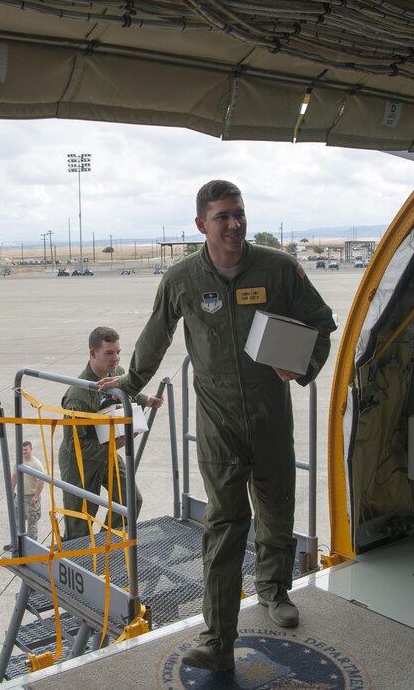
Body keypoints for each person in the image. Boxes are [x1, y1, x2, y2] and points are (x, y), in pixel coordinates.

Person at [98, 179, 336, 672]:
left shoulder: (279, 268)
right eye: (223, 216)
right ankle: (218, 639)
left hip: (271, 419)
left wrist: (305, 366)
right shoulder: (183, 279)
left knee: (276, 515)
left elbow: (322, 323)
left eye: (239, 213)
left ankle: (274, 591)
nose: (234, 224)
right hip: (218, 426)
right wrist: (131, 380)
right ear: (201, 224)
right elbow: (156, 333)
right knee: (225, 528)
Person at [59, 326, 163, 541]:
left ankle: (106, 549)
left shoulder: (116, 373)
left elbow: (125, 390)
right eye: (109, 353)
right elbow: (75, 446)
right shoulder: (78, 396)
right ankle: (79, 563)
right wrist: (116, 445)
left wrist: (145, 400)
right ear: (92, 353)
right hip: (79, 462)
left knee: (131, 501)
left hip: (106, 450)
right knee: (80, 522)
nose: (115, 358)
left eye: (118, 352)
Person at [5, 441, 46, 549]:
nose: (24, 452)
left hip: (31, 498)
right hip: (19, 497)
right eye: (22, 450)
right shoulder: (19, 462)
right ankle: (16, 544)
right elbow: (14, 476)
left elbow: (41, 481)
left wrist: (36, 497)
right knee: (16, 520)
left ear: (31, 449)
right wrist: (11, 490)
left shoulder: (36, 464)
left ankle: (31, 547)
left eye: (26, 449)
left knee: (32, 523)